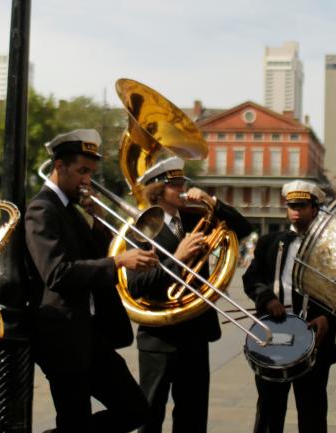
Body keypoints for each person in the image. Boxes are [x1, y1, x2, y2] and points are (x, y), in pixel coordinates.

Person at [25, 129, 159, 433]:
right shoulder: (41, 209)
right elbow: (57, 273)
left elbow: (98, 254)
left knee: (134, 409)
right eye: (81, 171)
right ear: (59, 167)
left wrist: (98, 219)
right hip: (60, 337)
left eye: (91, 172)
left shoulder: (69, 210)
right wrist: (118, 262)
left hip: (88, 335)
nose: (87, 180)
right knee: (75, 420)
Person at [126, 156, 252, 433]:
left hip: (196, 332)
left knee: (193, 417)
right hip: (159, 338)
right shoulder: (141, 228)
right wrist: (178, 257)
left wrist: (213, 202)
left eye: (183, 182)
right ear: (157, 190)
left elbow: (244, 228)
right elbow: (137, 286)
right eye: (176, 184)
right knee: (150, 415)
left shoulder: (197, 217)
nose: (183, 188)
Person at [242, 180, 336, 433]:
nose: (295, 211)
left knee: (313, 412)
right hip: (275, 333)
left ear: (315, 208)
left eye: (302, 206)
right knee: (269, 409)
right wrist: (266, 300)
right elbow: (251, 279)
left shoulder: (329, 248)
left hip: (312, 337)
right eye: (291, 206)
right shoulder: (269, 242)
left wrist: (327, 318)